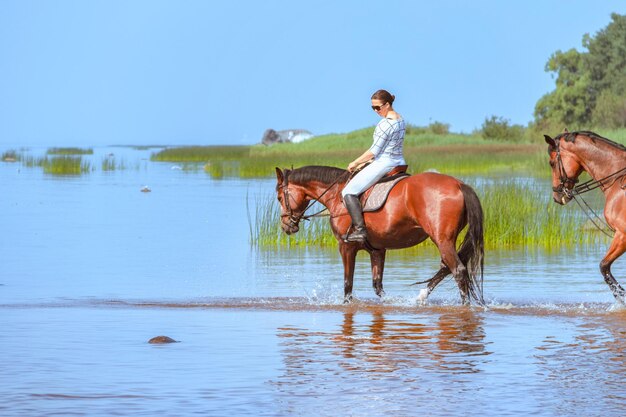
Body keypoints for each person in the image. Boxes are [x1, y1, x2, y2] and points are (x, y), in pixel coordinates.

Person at [341, 89, 407, 243]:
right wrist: (366, 163)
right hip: (399, 161)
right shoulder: (401, 119)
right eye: (373, 108)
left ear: (388, 104)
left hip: (384, 163)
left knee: (348, 191)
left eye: (378, 107)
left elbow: (374, 151)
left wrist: (356, 162)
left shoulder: (385, 124)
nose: (376, 111)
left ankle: (360, 230)